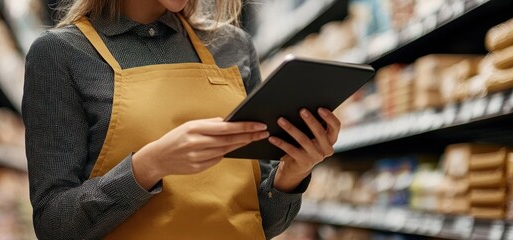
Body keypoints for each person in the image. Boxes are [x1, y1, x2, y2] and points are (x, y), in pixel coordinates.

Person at [22, 0, 342, 239]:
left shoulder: (234, 47)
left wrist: (291, 174)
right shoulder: (60, 54)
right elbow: (53, 225)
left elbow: (262, 222)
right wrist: (148, 166)